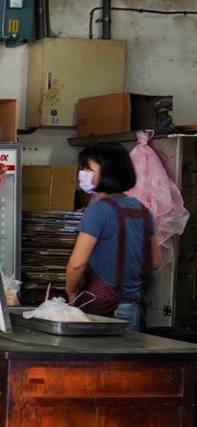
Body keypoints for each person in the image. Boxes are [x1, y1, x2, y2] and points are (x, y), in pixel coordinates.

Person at [66, 142, 162, 331]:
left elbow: (77, 263)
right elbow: (156, 261)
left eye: (88, 168)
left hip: (102, 310)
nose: (83, 173)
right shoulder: (142, 210)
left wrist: (71, 291)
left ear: (108, 172)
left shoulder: (98, 211)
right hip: (134, 307)